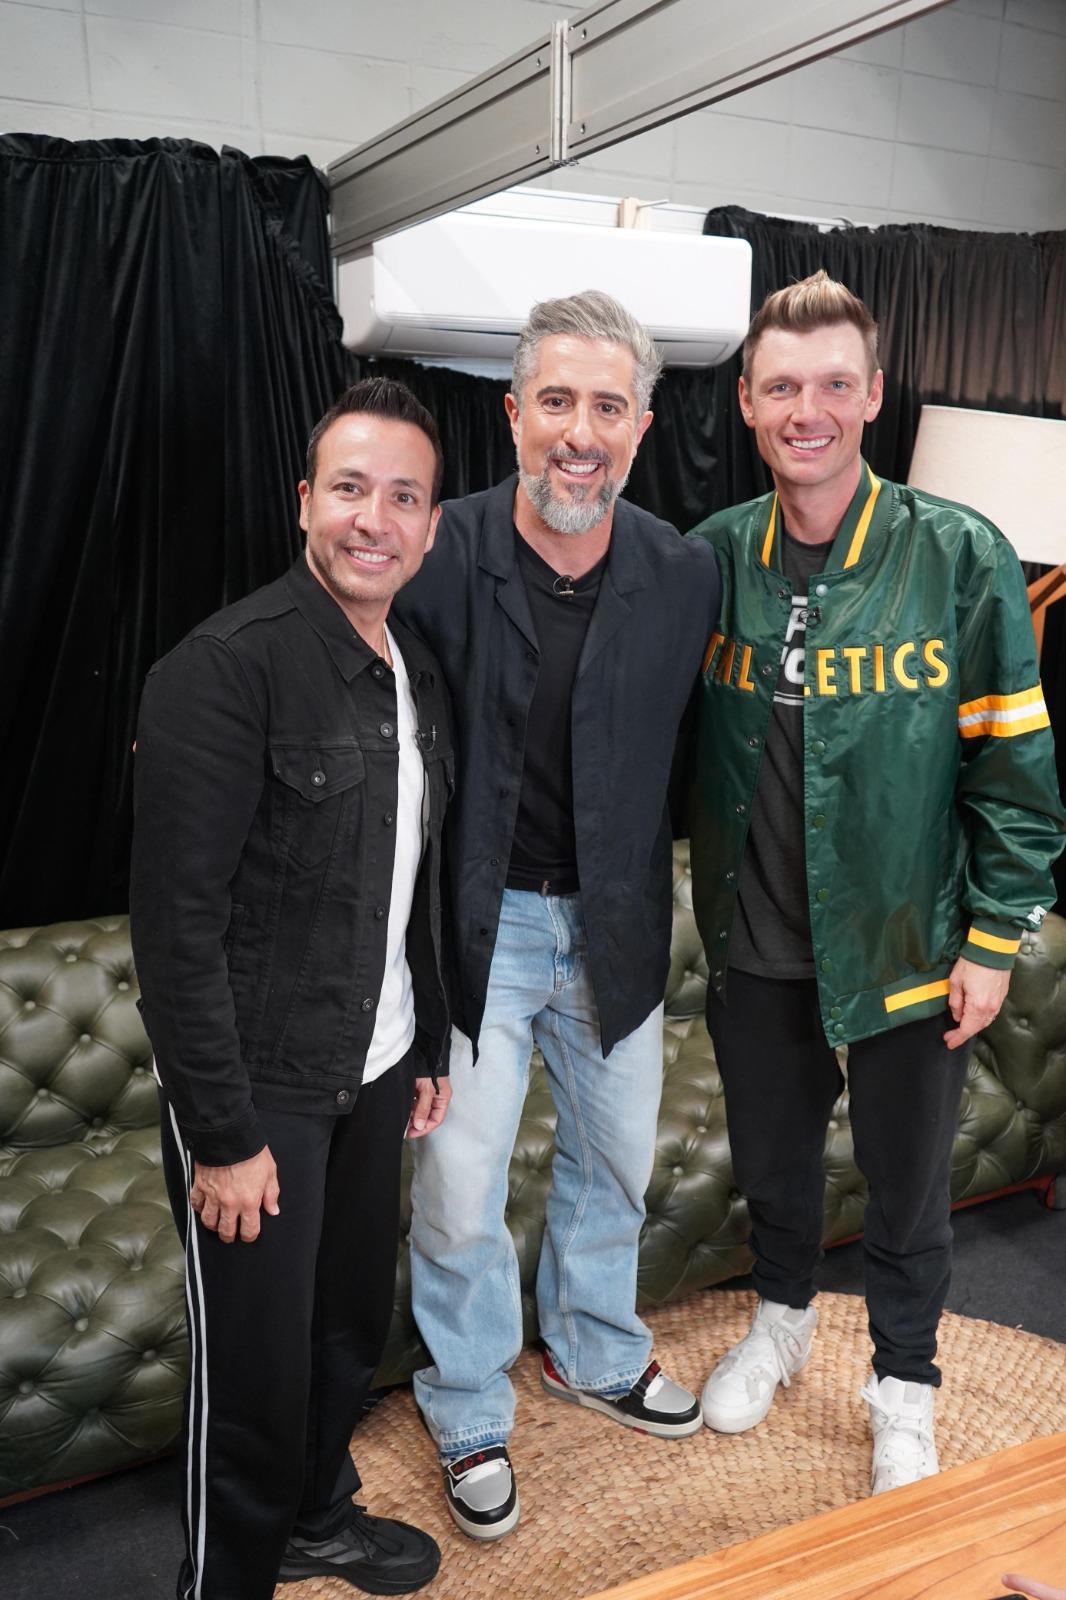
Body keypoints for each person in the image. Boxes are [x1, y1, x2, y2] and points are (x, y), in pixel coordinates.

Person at [686, 271, 1064, 1494]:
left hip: (909, 944)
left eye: (834, 384)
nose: (810, 408)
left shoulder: (958, 554)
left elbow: (1013, 760)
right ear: (747, 402)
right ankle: (782, 1321)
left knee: (906, 1196)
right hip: (757, 944)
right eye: (783, 386)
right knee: (776, 1171)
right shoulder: (707, 561)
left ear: (874, 397)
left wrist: (996, 939)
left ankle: (903, 1384)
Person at [392, 289, 721, 1542]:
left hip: (622, 924)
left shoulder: (684, 572)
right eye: (555, 403)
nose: (578, 433)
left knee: (615, 1167)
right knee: (461, 1192)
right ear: (513, 412)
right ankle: (468, 1399)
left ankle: (591, 1347)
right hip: (482, 932)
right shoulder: (436, 553)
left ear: (640, 425)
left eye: (606, 407)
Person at [130, 378, 455, 1598]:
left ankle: (319, 1515)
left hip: (370, 1074)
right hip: (256, 1092)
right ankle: (226, 1580)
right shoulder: (221, 671)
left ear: (429, 526)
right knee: (253, 1379)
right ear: (305, 502)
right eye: (351, 488)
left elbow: (409, 874)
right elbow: (175, 931)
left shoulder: (411, 665)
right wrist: (220, 1135)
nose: (374, 518)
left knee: (339, 1337)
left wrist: (422, 1040)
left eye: (403, 497)